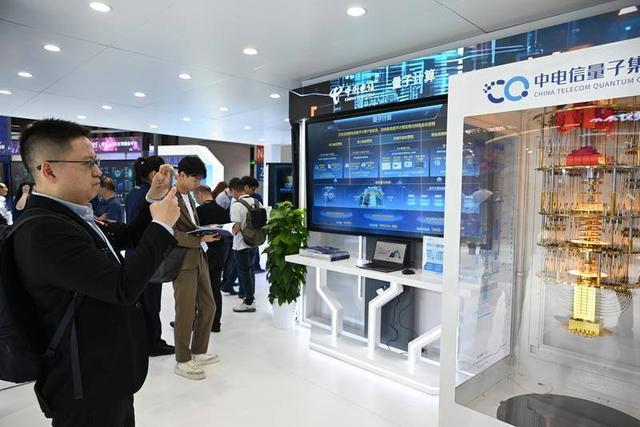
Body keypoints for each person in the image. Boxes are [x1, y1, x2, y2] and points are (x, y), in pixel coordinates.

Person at [10, 118, 180, 426]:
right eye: (88, 163)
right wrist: (162, 226)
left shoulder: (70, 217)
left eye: (96, 161)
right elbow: (122, 287)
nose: (98, 172)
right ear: (49, 170)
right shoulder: (44, 231)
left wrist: (154, 200)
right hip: (84, 384)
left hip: (104, 374)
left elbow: (129, 237)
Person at [172, 156, 219, 380]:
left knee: (208, 306)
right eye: (194, 179)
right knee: (186, 311)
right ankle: (182, 359)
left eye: (200, 180)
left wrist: (205, 231)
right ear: (181, 175)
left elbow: (191, 227)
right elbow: (170, 233)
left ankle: (198, 351)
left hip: (198, 256)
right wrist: (200, 239)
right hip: (183, 261)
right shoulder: (169, 198)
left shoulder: (189, 197)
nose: (197, 184)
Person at [125, 156, 175, 357]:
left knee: (143, 303)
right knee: (151, 303)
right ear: (154, 174)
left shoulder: (133, 193)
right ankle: (154, 343)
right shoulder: (150, 196)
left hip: (134, 253)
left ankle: (145, 342)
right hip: (146, 255)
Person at [194, 184, 229, 333]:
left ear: (200, 194)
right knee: (215, 287)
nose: (196, 199)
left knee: (198, 288)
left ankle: (195, 322)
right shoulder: (222, 211)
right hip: (221, 252)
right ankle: (215, 324)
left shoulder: (198, 211)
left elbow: (193, 233)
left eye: (195, 196)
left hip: (204, 253)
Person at [229, 177, 262, 313]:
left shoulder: (236, 206)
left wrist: (227, 229)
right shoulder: (256, 202)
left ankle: (248, 301)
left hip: (241, 244)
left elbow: (236, 228)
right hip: (253, 242)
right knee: (250, 272)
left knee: (244, 274)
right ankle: (250, 298)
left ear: (234, 190)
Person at [220, 177, 241, 296]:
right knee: (230, 260)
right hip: (230, 234)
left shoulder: (231, 199)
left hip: (229, 234)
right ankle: (227, 283)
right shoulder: (233, 201)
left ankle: (227, 283)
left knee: (231, 260)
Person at [240, 176, 265, 274]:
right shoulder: (237, 200)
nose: (253, 192)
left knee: (245, 266)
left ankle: (255, 267)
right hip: (246, 235)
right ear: (246, 187)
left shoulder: (256, 198)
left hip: (251, 233)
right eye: (253, 189)